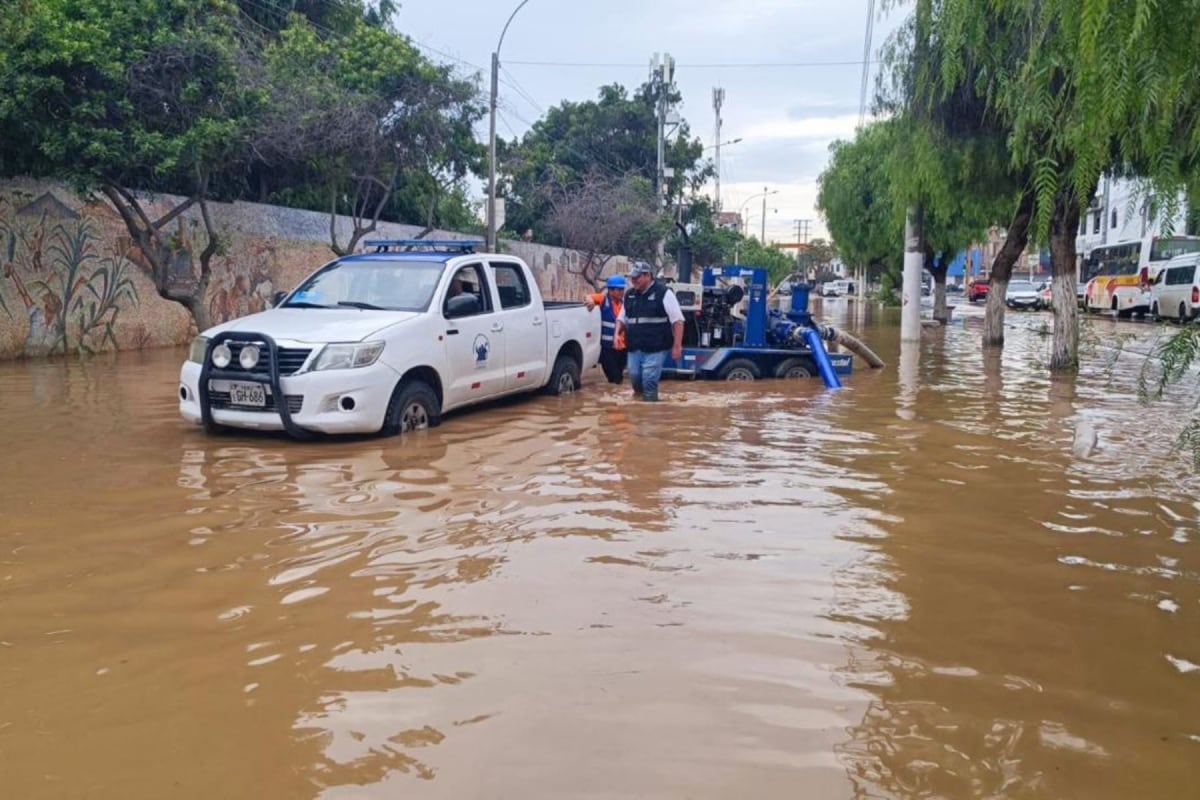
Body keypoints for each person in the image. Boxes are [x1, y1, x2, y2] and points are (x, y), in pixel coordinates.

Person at [615, 262, 684, 401]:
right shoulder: (629, 295)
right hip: (634, 347)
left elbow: (678, 321)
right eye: (632, 278)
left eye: (637, 277)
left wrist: (677, 346)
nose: (633, 281)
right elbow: (622, 318)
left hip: (656, 348)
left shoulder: (664, 293)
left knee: (649, 381)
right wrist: (616, 334)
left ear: (648, 276)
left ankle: (650, 415)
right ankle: (639, 407)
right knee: (634, 377)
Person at [584, 274, 628, 384]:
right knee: (615, 378)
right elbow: (588, 297)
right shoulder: (603, 300)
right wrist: (590, 302)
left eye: (622, 289)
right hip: (607, 349)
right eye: (619, 289)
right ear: (611, 290)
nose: (622, 292)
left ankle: (614, 397)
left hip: (623, 348)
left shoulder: (624, 303)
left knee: (619, 377)